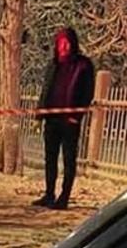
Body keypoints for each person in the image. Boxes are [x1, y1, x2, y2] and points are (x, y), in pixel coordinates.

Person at [33, 27, 94, 210]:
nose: (64, 46)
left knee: (68, 158)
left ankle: (64, 196)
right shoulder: (54, 65)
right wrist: (40, 114)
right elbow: (46, 89)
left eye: (67, 42)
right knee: (50, 158)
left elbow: (87, 93)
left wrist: (76, 116)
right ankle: (49, 193)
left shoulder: (83, 65)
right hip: (52, 118)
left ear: (73, 43)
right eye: (61, 42)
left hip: (69, 121)